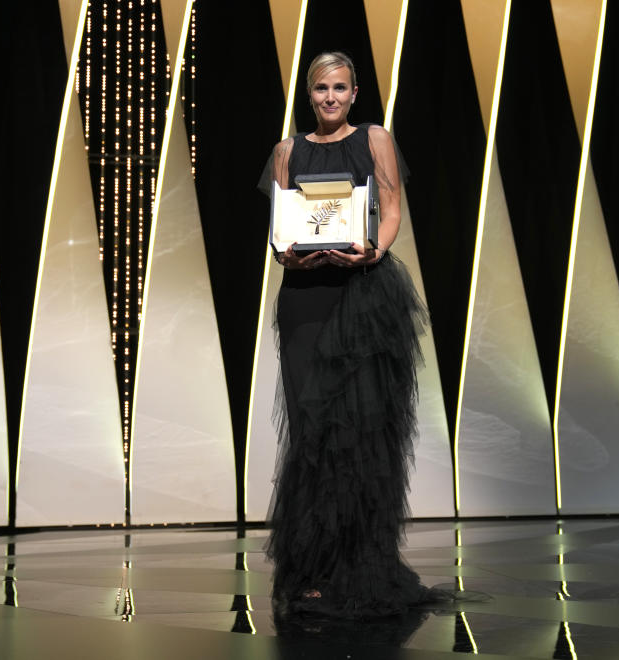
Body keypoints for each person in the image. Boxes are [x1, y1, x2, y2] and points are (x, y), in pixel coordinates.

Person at [260, 51, 439, 619]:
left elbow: (390, 209)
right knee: (312, 432)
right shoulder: (287, 151)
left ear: (355, 93)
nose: (330, 98)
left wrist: (374, 249)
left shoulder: (376, 138)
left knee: (360, 433)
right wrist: (288, 254)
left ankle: (360, 566)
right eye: (320, 89)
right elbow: (281, 230)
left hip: (363, 297)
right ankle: (312, 569)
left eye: (339, 88)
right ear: (308, 95)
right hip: (306, 299)